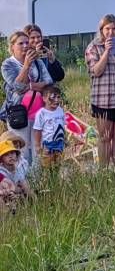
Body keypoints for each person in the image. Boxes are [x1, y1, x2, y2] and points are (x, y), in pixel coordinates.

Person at [85, 14, 115, 169]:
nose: (111, 32)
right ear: (101, 30)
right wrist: (106, 51)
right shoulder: (93, 47)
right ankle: (104, 171)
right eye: (107, 29)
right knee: (105, 137)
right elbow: (96, 71)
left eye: (114, 29)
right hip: (103, 99)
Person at [1, 31, 54, 163]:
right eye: (21, 43)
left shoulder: (38, 62)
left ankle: (37, 176)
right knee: (22, 151)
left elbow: (49, 83)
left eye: (26, 42)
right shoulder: (8, 65)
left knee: (38, 150)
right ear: (12, 46)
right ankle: (23, 176)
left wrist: (29, 86)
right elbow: (18, 87)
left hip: (39, 112)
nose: (25, 46)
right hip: (19, 113)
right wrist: (26, 66)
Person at [32, 84, 66, 167]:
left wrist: (65, 139)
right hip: (48, 145)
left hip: (59, 144)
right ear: (44, 98)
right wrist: (37, 145)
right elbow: (37, 130)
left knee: (58, 165)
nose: (56, 100)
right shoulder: (42, 113)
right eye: (53, 97)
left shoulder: (60, 110)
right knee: (47, 166)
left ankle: (56, 175)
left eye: (58, 97)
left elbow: (63, 126)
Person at [0, 140, 30, 210]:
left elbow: (24, 183)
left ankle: (37, 203)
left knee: (25, 185)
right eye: (6, 154)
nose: (10, 156)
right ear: (1, 159)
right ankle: (8, 213)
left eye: (12, 153)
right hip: (6, 194)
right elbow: (8, 188)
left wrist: (22, 189)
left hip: (18, 193)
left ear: (16, 155)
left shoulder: (19, 167)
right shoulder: (1, 171)